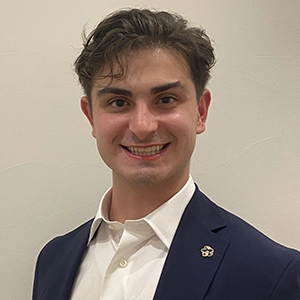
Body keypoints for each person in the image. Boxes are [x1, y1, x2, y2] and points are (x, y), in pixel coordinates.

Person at [32, 8, 300, 300]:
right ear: (91, 116)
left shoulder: (272, 273)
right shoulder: (53, 260)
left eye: (166, 99)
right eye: (119, 102)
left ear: (200, 111)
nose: (143, 126)